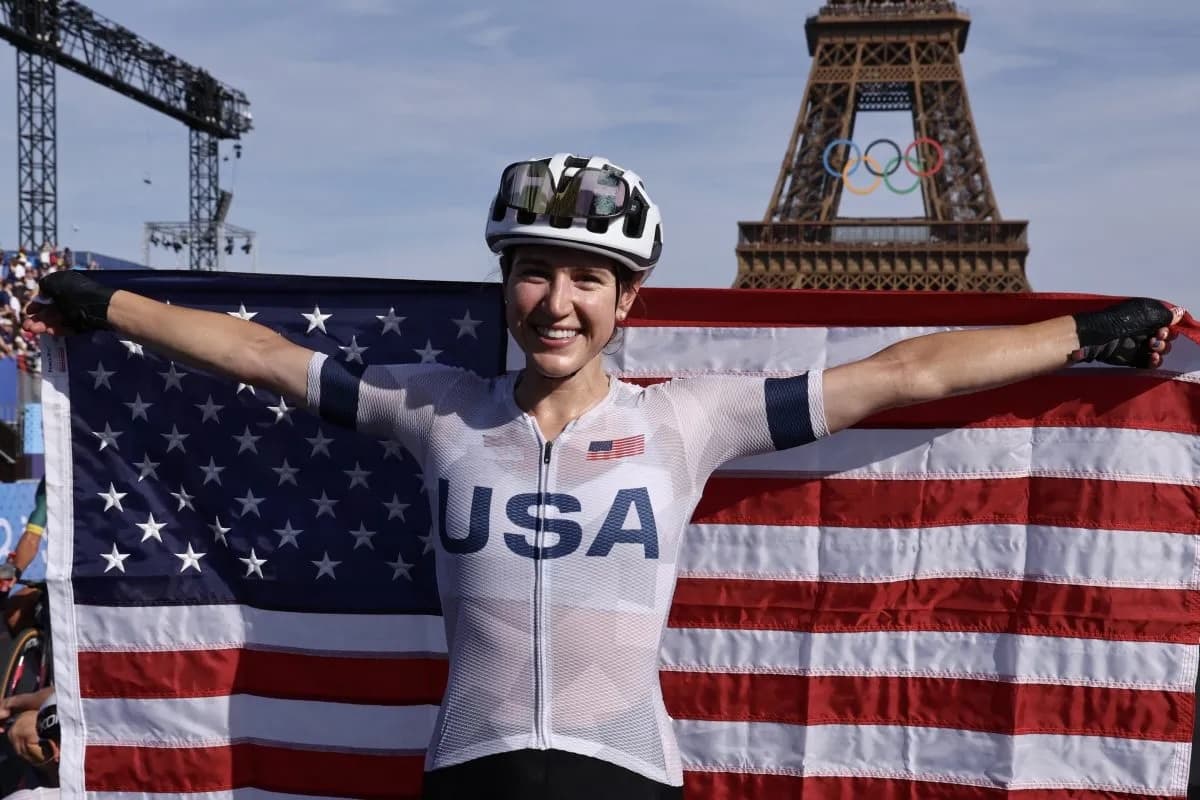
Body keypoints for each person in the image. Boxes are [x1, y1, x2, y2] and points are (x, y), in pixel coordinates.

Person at [22, 153, 1183, 800]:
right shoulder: (437, 407)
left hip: (627, 777)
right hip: (467, 774)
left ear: (630, 302)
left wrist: (1079, 331)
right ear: (505, 285)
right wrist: (102, 304)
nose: (558, 301)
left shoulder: (690, 417)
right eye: (534, 273)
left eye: (589, 278)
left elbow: (904, 374)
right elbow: (266, 356)